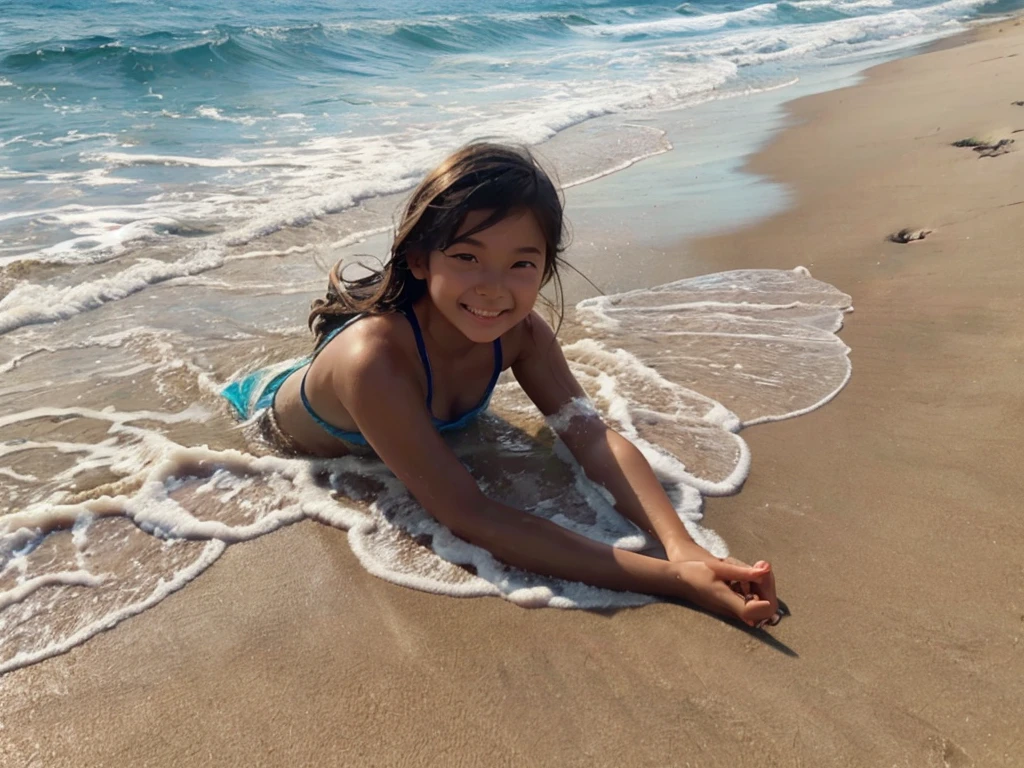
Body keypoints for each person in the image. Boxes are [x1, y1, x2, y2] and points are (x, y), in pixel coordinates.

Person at [223, 142, 780, 627]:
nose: (493, 289)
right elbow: (470, 514)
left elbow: (589, 435)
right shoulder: (372, 362)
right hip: (276, 422)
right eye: (467, 257)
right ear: (419, 260)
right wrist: (670, 580)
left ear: (545, 269)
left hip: (405, 418)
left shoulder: (522, 334)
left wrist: (683, 546)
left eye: (521, 264)